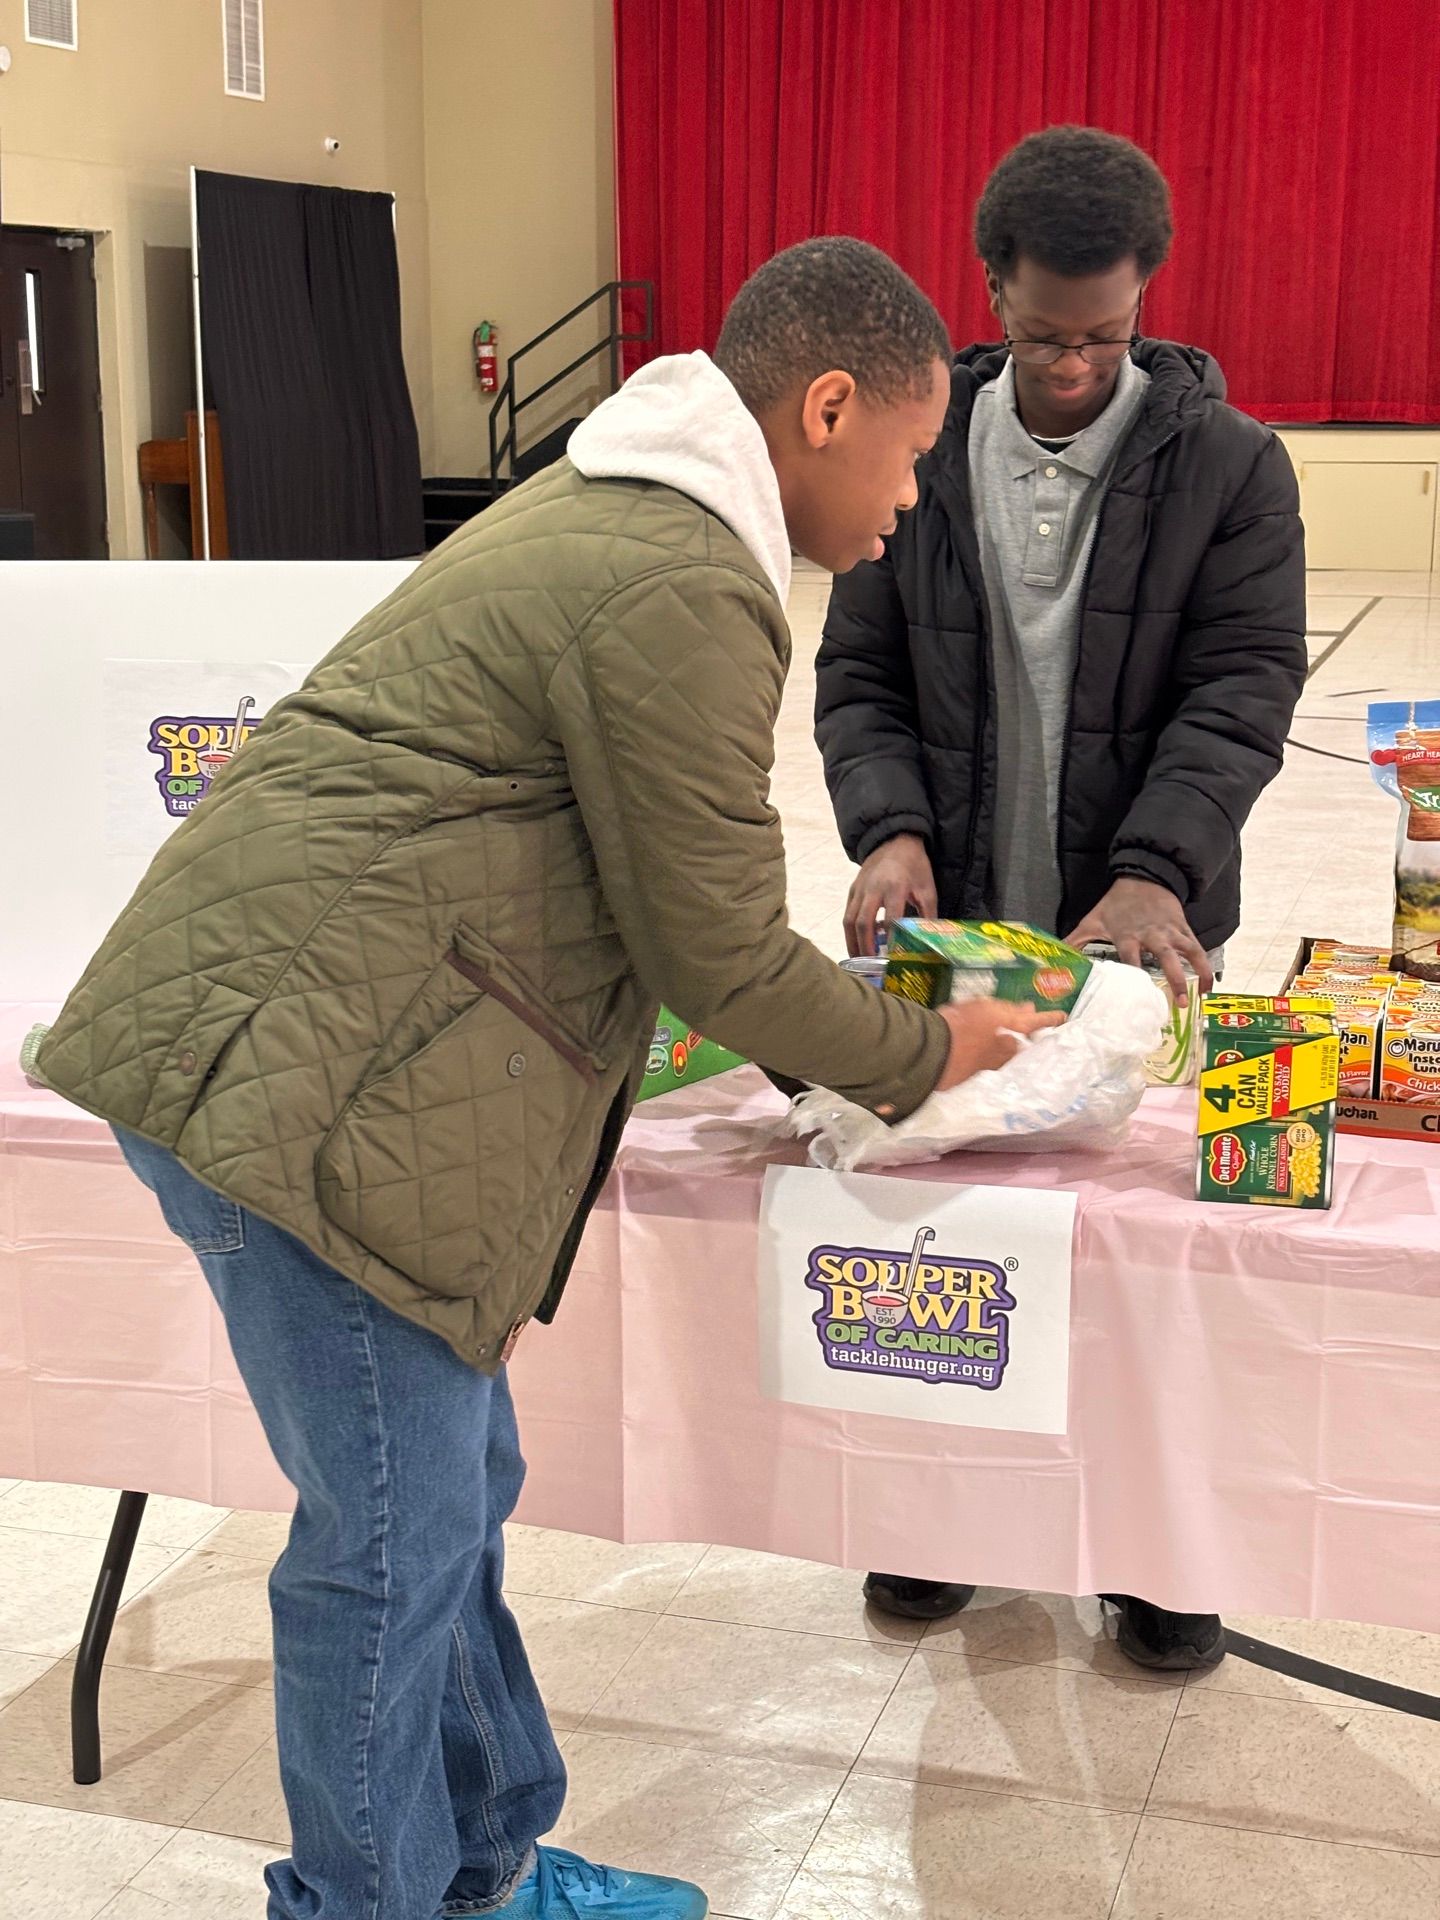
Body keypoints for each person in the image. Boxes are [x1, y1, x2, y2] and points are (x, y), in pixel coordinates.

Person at [36, 238, 1062, 1920]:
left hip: (320, 1055)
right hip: (296, 1087)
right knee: (387, 1547)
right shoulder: (680, 577)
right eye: (907, 455)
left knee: (449, 1499)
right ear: (825, 409)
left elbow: (637, 908)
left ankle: (488, 1866)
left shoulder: (622, 512)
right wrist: (931, 1052)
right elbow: (717, 950)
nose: (906, 501)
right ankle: (370, 1904)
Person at [814, 129, 1307, 1671]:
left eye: (1106, 335)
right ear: (992, 294)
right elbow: (860, 671)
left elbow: (1242, 691)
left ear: (1147, 299)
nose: (1077, 367)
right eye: (1045, 337)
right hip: (960, 927)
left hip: (1139, 932)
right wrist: (890, 830)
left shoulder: (1232, 467)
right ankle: (943, 1518)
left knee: (1138, 1257)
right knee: (952, 1235)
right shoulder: (915, 448)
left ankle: (1153, 1553)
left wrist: (1157, 871)